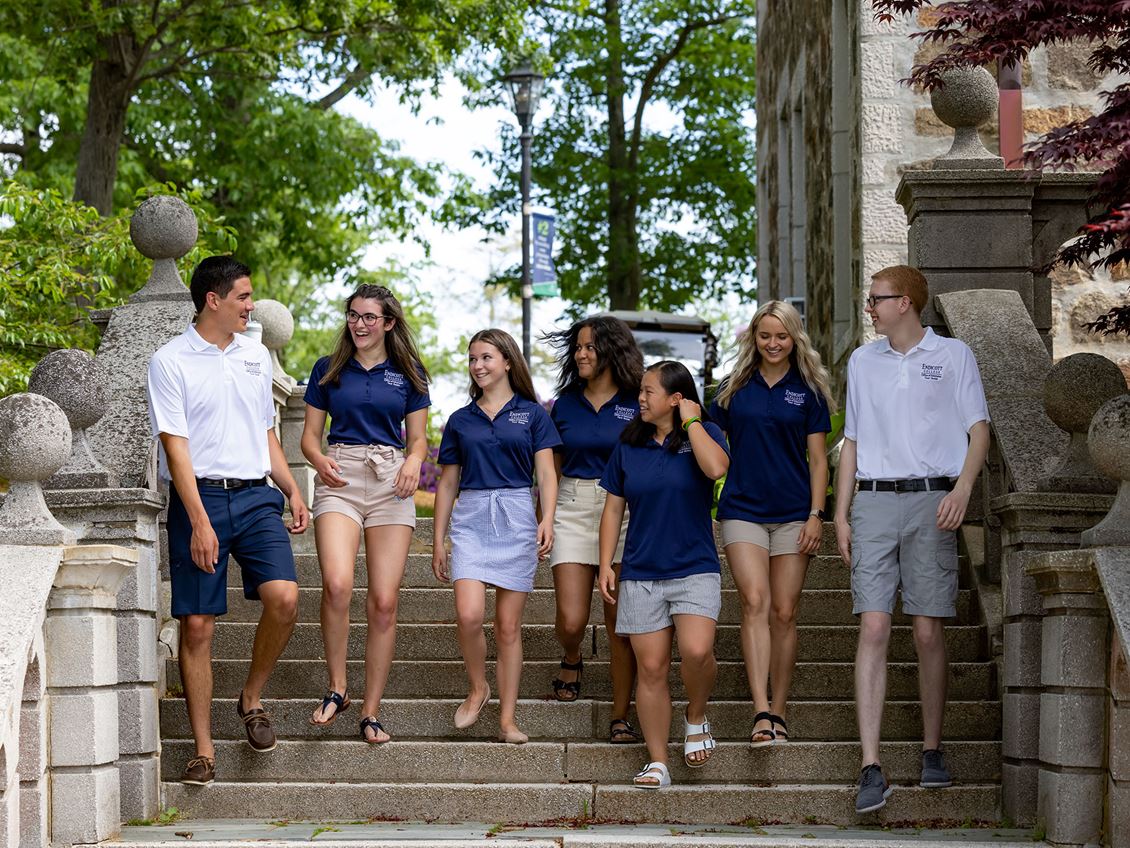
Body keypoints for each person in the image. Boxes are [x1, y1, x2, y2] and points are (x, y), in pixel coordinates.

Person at [834, 265, 990, 814]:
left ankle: (932, 750)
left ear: (906, 303)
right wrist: (841, 512)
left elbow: (978, 430)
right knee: (873, 624)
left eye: (877, 299)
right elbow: (850, 440)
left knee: (927, 630)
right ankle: (870, 765)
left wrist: (963, 490)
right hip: (873, 500)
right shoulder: (862, 360)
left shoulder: (953, 356)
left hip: (933, 500)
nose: (870, 307)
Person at [147, 256, 309, 786]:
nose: (250, 305)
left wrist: (290, 488)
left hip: (256, 496)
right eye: (242, 296)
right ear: (212, 300)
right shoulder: (170, 361)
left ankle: (251, 698)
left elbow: (266, 431)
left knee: (284, 597)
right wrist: (197, 520)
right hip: (203, 499)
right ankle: (202, 751)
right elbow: (177, 448)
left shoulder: (256, 356)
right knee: (197, 625)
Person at [301, 284, 430, 744]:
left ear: (389, 323)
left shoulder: (409, 373)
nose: (359, 324)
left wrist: (415, 461)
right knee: (337, 583)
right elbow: (309, 439)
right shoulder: (328, 370)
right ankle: (338, 687)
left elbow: (417, 438)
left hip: (391, 478)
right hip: (341, 474)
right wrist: (318, 462)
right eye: (353, 315)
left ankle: (371, 711)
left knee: (383, 601)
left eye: (370, 317)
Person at [598, 361, 730, 789]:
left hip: (694, 568)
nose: (640, 397)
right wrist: (605, 563)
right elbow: (613, 508)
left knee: (696, 651)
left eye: (650, 391)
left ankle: (695, 715)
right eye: (640, 390)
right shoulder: (628, 445)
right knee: (650, 667)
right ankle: (658, 761)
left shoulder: (704, 436)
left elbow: (716, 470)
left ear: (676, 398)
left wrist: (692, 421)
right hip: (641, 572)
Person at [709, 301, 833, 748]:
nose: (773, 343)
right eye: (765, 335)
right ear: (753, 338)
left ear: (794, 338)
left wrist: (817, 515)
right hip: (742, 509)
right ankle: (760, 709)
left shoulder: (809, 392)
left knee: (785, 610)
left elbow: (818, 460)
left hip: (794, 514)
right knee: (754, 600)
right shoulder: (732, 389)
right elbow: (704, 439)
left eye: (781, 336)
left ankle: (780, 708)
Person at [431, 329, 561, 744]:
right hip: (471, 517)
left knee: (507, 626)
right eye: (472, 359)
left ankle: (507, 721)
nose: (478, 366)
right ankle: (478, 687)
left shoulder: (533, 415)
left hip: (517, 515)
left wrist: (547, 517)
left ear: (507, 361)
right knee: (469, 615)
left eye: (486, 357)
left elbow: (546, 473)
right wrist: (438, 538)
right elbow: (447, 484)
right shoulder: (460, 420)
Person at [543, 316, 643, 743]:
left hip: (623, 510)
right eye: (578, 347)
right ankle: (572, 655)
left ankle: (621, 714)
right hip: (573, 504)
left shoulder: (638, 398)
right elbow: (552, 465)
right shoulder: (564, 402)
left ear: (611, 351)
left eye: (590, 347)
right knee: (571, 618)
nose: (581, 354)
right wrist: (544, 513)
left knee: (620, 621)